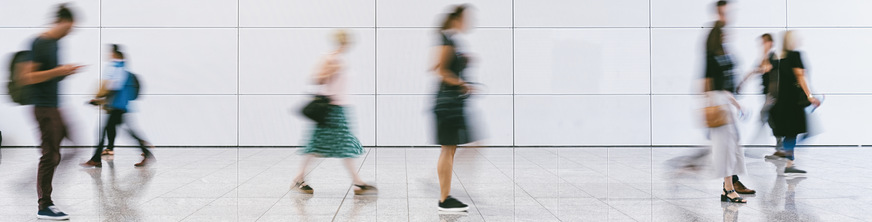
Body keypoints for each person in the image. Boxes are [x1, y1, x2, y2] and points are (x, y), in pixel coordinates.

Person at [16, 4, 84, 220]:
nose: (70, 31)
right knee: (51, 154)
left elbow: (49, 75)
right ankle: (44, 205)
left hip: (54, 106)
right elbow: (28, 77)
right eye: (70, 27)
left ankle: (34, 182)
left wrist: (64, 73)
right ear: (62, 21)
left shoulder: (55, 44)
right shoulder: (41, 42)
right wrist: (59, 71)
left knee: (71, 145)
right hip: (44, 108)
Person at [291, 30, 377, 195]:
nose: (346, 45)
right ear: (340, 42)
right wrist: (333, 70)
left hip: (339, 108)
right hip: (330, 110)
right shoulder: (330, 58)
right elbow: (317, 78)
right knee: (332, 145)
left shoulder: (339, 59)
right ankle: (357, 183)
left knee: (331, 145)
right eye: (344, 42)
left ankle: (299, 178)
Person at [704, 1, 752, 203]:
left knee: (733, 147)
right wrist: (707, 106)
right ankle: (728, 188)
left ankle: (730, 186)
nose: (728, 35)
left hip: (725, 102)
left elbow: (724, 87)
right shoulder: (713, 56)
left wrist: (737, 104)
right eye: (724, 34)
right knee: (725, 148)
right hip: (717, 103)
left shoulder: (724, 56)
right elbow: (708, 81)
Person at [81, 44, 155, 168]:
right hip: (118, 106)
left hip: (117, 106)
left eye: (110, 54)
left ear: (115, 54)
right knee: (115, 131)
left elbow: (114, 87)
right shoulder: (121, 68)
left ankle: (96, 159)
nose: (109, 56)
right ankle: (146, 153)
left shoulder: (118, 69)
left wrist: (99, 99)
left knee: (105, 132)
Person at [431, 4, 474, 212]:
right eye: (466, 18)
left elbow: (435, 66)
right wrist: (462, 84)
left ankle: (445, 195)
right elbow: (440, 71)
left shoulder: (449, 40)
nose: (469, 22)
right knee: (448, 149)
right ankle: (444, 199)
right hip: (447, 104)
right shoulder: (447, 39)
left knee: (450, 148)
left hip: (451, 103)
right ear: (457, 19)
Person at [769, 30, 820, 176]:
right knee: (799, 131)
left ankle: (789, 157)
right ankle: (789, 158)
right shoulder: (795, 55)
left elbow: (772, 79)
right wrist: (810, 96)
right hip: (793, 101)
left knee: (790, 132)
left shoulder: (777, 57)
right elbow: (800, 77)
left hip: (781, 100)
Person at [736, 34, 786, 159]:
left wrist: (758, 69)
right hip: (767, 95)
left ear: (770, 43)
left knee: (763, 117)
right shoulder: (764, 58)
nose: (762, 45)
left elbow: (765, 69)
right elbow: (754, 70)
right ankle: (780, 149)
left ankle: (754, 148)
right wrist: (742, 83)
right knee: (772, 121)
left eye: (764, 42)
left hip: (772, 96)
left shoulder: (772, 57)